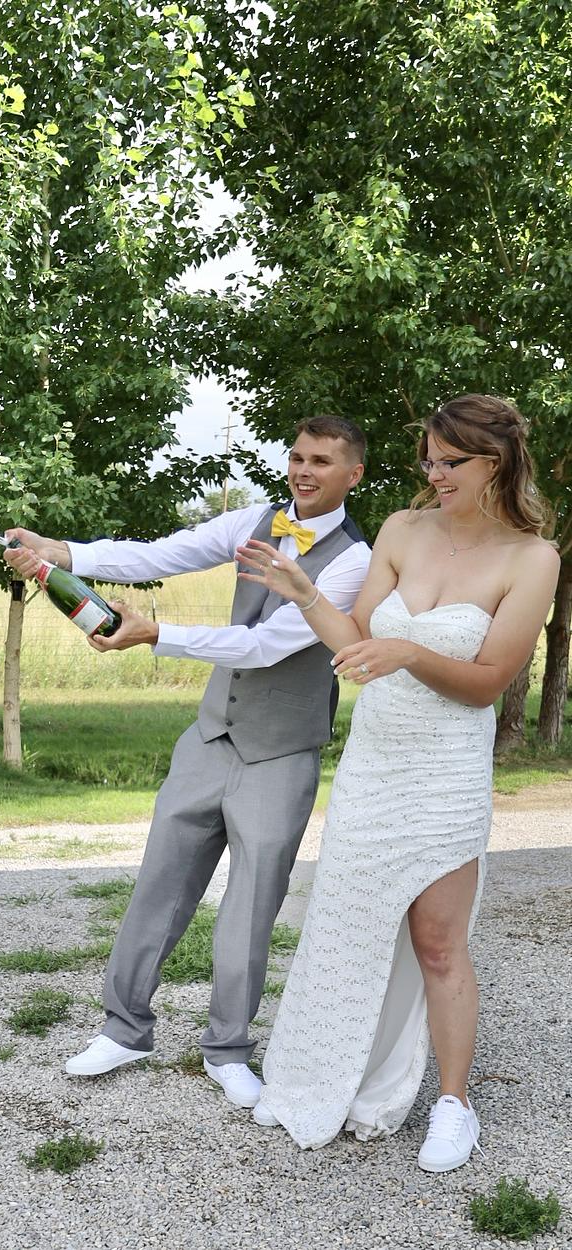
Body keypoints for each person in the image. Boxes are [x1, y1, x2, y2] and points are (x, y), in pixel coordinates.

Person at [4, 416, 370, 1110]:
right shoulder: (252, 522)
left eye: (322, 461)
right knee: (159, 886)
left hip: (279, 753)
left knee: (251, 907)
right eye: (297, 456)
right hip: (209, 738)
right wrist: (63, 552)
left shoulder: (355, 561)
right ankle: (124, 1030)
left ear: (352, 474)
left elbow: (264, 646)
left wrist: (155, 634)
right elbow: (159, 555)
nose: (304, 470)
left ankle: (227, 1050)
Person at [234, 395, 559, 1172]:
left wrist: (409, 654)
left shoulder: (533, 558)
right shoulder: (401, 530)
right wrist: (307, 595)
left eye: (451, 462)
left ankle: (454, 1105)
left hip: (445, 776)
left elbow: (489, 683)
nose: (433, 474)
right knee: (344, 924)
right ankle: (320, 1078)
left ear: (495, 463)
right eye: (428, 459)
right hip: (374, 766)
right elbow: (356, 642)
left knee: (439, 941)